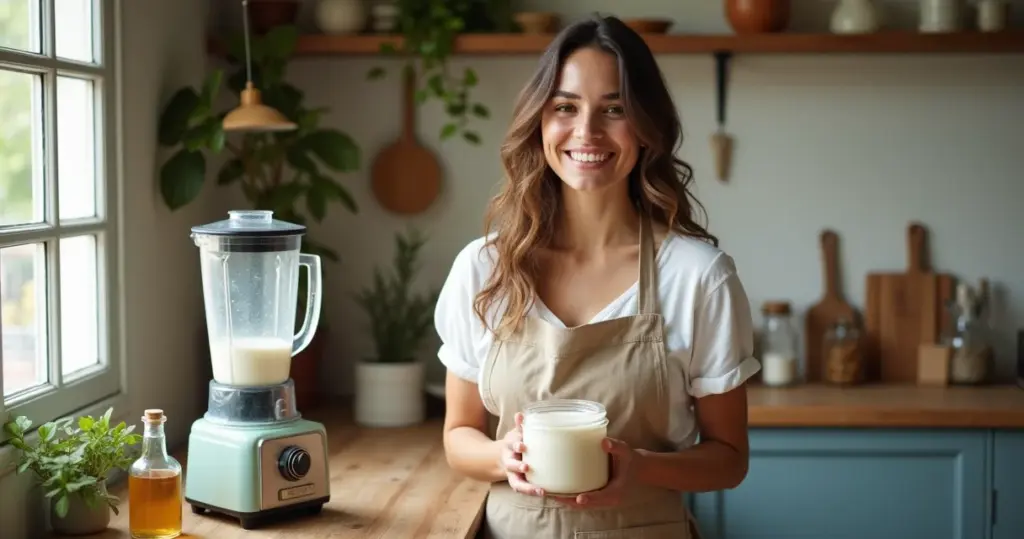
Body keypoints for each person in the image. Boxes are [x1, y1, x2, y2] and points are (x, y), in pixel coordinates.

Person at [434, 14, 761, 539]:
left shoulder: (699, 277)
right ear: (540, 121)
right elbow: (458, 435)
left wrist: (642, 468)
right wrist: (503, 456)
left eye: (614, 110)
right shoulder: (485, 268)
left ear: (646, 128)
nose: (587, 132)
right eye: (566, 107)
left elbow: (729, 459)